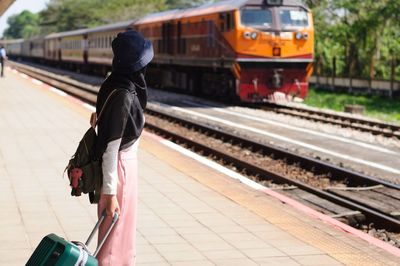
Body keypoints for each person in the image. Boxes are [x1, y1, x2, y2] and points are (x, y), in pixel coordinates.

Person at [91, 30, 153, 265]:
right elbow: (110, 148)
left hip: (122, 167)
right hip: (119, 171)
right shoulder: (125, 94)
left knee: (119, 235)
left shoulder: (114, 83)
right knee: (114, 238)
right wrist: (109, 193)